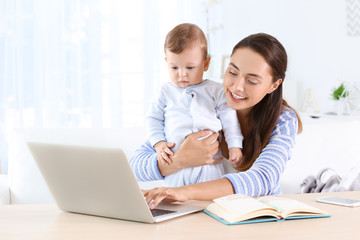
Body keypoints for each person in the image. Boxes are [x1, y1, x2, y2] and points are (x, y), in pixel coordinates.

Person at [130, 32, 303, 209]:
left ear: (274, 85)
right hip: (201, 216)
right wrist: (180, 160)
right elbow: (135, 165)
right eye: (232, 72)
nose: (237, 87)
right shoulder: (203, 100)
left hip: (257, 217)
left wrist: (185, 192)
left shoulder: (283, 120)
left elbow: (263, 178)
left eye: (251, 81)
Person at [145, 23, 243, 187]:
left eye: (190, 67)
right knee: (174, 203)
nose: (182, 74)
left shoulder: (215, 90)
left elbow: (229, 119)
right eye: (174, 67)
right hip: (176, 165)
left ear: (205, 64)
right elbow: (153, 118)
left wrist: (235, 146)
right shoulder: (165, 91)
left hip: (209, 165)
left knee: (208, 202)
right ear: (166, 62)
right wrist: (159, 143)